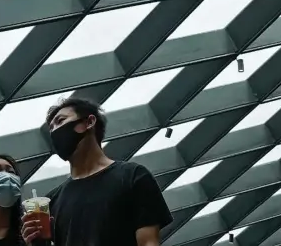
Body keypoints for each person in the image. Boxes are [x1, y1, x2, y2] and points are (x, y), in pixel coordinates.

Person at [22, 97, 172, 246]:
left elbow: (148, 242)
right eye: (52, 128)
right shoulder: (53, 200)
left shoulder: (132, 176)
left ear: (89, 122)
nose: (55, 131)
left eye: (60, 121)